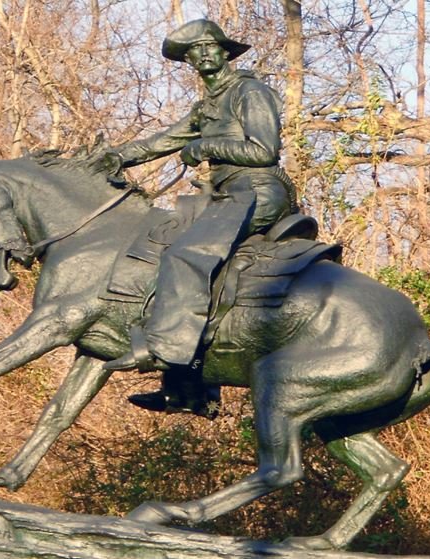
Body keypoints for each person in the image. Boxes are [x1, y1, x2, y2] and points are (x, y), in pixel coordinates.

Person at [102, 19, 296, 416]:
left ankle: (171, 357)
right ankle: (187, 387)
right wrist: (115, 156)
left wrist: (207, 145)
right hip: (224, 196)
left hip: (257, 191)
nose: (204, 53)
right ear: (188, 60)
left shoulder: (249, 91)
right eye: (195, 50)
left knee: (187, 254)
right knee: (162, 250)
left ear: (225, 51)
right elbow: (162, 141)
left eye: (211, 46)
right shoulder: (205, 106)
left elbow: (264, 150)